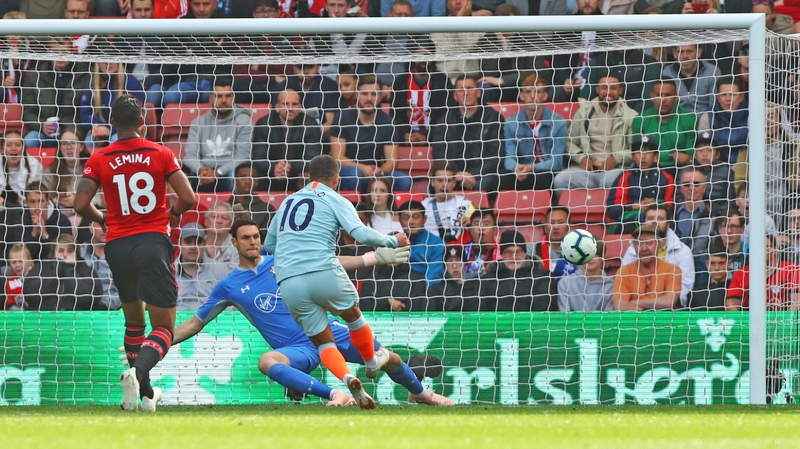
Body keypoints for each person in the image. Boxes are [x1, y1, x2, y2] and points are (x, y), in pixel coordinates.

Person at [173, 218, 451, 406]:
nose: (253, 242)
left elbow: (327, 261)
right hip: (295, 348)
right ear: (234, 242)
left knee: (388, 358)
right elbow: (196, 323)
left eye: (256, 236)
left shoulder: (280, 260)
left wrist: (373, 257)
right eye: (245, 238)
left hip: (325, 329)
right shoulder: (228, 286)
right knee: (267, 361)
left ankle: (420, 394)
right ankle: (336, 394)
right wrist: (158, 342)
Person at [74, 94, 197, 413]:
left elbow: (79, 205)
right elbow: (189, 198)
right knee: (164, 328)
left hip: (117, 246)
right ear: (143, 121)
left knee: (133, 322)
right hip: (151, 242)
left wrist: (105, 219)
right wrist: (172, 213)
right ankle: (139, 372)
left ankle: (143, 395)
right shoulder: (160, 152)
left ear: (112, 124)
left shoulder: (100, 158)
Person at [263, 154, 410, 409]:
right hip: (323, 270)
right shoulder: (335, 198)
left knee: (323, 341)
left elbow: (269, 245)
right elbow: (359, 232)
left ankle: (347, 377)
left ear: (308, 177)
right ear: (336, 178)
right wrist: (392, 241)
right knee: (353, 314)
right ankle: (371, 361)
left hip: (288, 281)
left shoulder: (287, 202)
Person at [553, 72, 637, 191]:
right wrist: (581, 158)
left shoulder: (631, 116)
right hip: (585, 171)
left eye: (613, 88)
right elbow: (568, 142)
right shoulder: (584, 112)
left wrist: (617, 158)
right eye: (604, 88)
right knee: (560, 180)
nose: (608, 92)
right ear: (597, 89)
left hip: (615, 171)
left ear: (620, 90)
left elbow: (636, 150)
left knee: (618, 180)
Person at [329, 75, 412, 192]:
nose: (369, 98)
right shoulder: (342, 117)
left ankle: (385, 210)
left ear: (380, 97)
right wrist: (363, 168)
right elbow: (337, 157)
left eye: (374, 94)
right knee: (354, 175)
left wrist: (379, 171)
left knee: (404, 180)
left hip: (376, 173)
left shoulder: (388, 121)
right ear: (357, 95)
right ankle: (355, 208)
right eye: (365, 94)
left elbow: (392, 161)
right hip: (349, 172)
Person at [428, 75, 503, 193]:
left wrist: (474, 175)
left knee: (488, 183)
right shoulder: (444, 121)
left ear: (478, 93)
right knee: (435, 185)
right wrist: (455, 174)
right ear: (454, 96)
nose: (466, 93)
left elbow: (496, 155)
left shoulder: (493, 118)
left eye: (469, 88)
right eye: (461, 90)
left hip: (481, 175)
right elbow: (439, 153)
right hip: (452, 175)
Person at [184, 76, 252, 192]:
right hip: (203, 172)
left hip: (229, 171)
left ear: (233, 98)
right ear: (211, 98)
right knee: (185, 176)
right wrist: (201, 170)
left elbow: (242, 156)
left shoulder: (244, 121)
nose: (224, 100)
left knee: (236, 175)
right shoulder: (199, 122)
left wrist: (217, 173)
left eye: (228, 96)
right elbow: (189, 156)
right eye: (219, 96)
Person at [20, 36, 90, 148]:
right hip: (44, 132)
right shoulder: (34, 75)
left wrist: (74, 129)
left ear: (72, 53)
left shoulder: (85, 75)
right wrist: (42, 125)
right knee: (30, 140)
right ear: (48, 52)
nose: (60, 56)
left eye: (64, 52)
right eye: (55, 52)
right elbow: (28, 112)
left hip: (76, 131)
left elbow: (90, 109)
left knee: (90, 142)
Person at [501, 72, 567, 191]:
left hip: (547, 172)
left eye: (537, 92)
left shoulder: (558, 122)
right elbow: (509, 157)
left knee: (541, 180)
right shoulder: (511, 123)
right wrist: (517, 167)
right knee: (501, 180)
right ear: (521, 96)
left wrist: (531, 168)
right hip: (521, 173)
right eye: (528, 92)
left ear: (545, 96)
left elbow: (556, 162)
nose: (532, 96)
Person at [621, 203, 695, 307]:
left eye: (660, 218)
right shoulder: (632, 250)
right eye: (650, 218)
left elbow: (683, 292)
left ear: (668, 224)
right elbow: (624, 287)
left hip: (670, 313)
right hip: (635, 313)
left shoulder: (683, 251)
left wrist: (639, 303)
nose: (654, 222)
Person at [252, 89, 324, 192]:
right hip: (269, 174)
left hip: (298, 173)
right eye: (286, 104)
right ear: (277, 107)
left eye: (294, 104)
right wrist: (275, 167)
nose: (290, 108)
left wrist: (290, 166)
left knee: (310, 178)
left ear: (300, 108)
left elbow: (312, 159)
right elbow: (258, 158)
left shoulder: (310, 124)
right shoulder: (263, 124)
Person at [606, 136, 675, 234]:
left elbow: (671, 206)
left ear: (655, 156)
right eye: (639, 152)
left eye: (647, 152)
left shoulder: (666, 177)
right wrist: (633, 206)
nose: (643, 156)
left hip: (658, 223)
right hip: (630, 224)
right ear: (633, 156)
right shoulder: (624, 177)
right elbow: (612, 210)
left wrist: (655, 205)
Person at [390, 36, 451, 144]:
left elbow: (446, 115)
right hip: (405, 136)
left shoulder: (443, 81)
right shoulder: (401, 82)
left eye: (427, 54)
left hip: (437, 137)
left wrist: (428, 136)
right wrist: (405, 135)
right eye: (419, 55)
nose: (423, 59)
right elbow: (395, 115)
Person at [481, 230, 558, 311]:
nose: (514, 257)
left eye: (518, 252)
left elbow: (544, 308)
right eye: (508, 252)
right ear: (502, 255)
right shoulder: (488, 280)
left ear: (525, 253)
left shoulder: (543, 278)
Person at [22, 233, 104, 310]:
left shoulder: (86, 270)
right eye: (61, 251)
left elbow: (87, 300)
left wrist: (69, 269)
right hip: (46, 319)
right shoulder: (42, 267)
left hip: (76, 320)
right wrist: (58, 267)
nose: (65, 255)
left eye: (70, 251)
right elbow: (30, 295)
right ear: (53, 253)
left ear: (77, 253)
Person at [612, 225, 682, 311]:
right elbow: (619, 305)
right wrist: (645, 312)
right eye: (639, 243)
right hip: (633, 322)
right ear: (634, 246)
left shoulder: (672, 270)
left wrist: (634, 302)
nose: (644, 248)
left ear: (659, 245)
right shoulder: (624, 272)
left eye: (649, 243)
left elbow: (669, 302)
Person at [631, 78, 697, 168]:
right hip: (650, 169)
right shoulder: (640, 120)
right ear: (652, 96)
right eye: (658, 95)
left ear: (676, 97)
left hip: (680, 169)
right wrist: (671, 155)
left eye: (668, 95)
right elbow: (638, 155)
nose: (663, 100)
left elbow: (689, 157)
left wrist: (655, 157)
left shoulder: (690, 119)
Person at [79, 61, 145, 149]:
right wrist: (97, 127)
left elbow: (134, 118)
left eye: (111, 61)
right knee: (89, 140)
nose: (108, 64)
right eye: (104, 61)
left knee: (115, 139)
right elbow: (84, 114)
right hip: (101, 129)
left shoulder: (131, 83)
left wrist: (110, 130)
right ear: (98, 63)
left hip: (130, 130)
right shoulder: (91, 83)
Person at [726, 234, 800, 310]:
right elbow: (731, 304)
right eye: (757, 248)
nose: (761, 251)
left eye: (766, 247)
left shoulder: (791, 269)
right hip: (751, 320)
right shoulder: (742, 273)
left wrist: (784, 321)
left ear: (775, 250)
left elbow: (797, 302)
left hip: (782, 320)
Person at [174, 222, 231, 310]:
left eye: (198, 242)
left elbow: (231, 305)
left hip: (210, 321)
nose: (193, 246)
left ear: (204, 244)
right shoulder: (167, 272)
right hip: (175, 321)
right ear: (180, 244)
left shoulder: (221, 270)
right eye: (188, 242)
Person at [698, 76, 748, 163]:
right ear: (718, 97)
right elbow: (704, 150)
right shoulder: (708, 117)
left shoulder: (753, 116)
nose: (728, 99)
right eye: (723, 95)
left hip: (748, 167)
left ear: (741, 97)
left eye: (732, 94)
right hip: (717, 169)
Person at [422, 161, 473, 243]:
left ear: (454, 183)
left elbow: (479, 230)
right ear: (433, 182)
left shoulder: (467, 204)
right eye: (439, 180)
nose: (444, 185)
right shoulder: (423, 206)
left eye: (448, 181)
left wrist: (471, 225)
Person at [662, 44, 721, 114]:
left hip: (704, 121)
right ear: (674, 53)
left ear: (699, 53)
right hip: (677, 121)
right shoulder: (667, 71)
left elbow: (714, 106)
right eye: (680, 52)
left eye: (689, 51)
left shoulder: (712, 71)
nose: (685, 56)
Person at [558, 240, 614, 311]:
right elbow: (564, 317)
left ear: (602, 258)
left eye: (594, 253)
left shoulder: (611, 285)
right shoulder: (565, 283)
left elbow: (608, 319)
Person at [426, 245, 483, 311]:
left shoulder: (476, 287)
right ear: (445, 265)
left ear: (465, 263)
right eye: (450, 261)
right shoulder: (435, 291)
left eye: (458, 260)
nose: (454, 266)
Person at [226, 163, 274, 241]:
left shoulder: (267, 209)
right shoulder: (224, 208)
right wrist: (232, 226)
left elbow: (270, 239)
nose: (248, 181)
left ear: (257, 182)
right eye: (243, 177)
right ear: (234, 181)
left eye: (252, 177)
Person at [672, 167, 713, 258]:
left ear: (704, 187)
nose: (691, 188)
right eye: (686, 184)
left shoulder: (714, 214)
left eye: (696, 184)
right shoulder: (671, 214)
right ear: (681, 188)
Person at [81, 217, 120, 310]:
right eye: (100, 225)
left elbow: (125, 290)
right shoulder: (78, 252)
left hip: (110, 309)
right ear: (91, 228)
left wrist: (105, 305)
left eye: (108, 225)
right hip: (81, 306)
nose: (104, 229)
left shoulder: (120, 255)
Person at [452, 208, 500, 279]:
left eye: (486, 224)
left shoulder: (502, 252)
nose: (481, 228)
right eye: (477, 224)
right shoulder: (461, 251)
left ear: (495, 230)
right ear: (470, 229)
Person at [529, 206, 576, 277]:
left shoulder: (579, 252)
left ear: (570, 227)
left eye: (560, 222)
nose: (555, 227)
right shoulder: (532, 250)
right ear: (545, 227)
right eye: (551, 222)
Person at [0, 130, 43, 207]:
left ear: (23, 148)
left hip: (27, 207)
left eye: (18, 145)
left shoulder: (34, 165)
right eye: (9, 145)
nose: (14, 148)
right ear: (2, 149)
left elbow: (36, 193)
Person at [42, 127, 89, 195]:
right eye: (64, 143)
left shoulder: (92, 170)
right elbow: (44, 200)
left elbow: (100, 199)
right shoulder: (50, 172)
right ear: (60, 148)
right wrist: (55, 201)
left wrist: (76, 201)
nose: (69, 147)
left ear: (81, 147)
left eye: (73, 143)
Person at [689, 243, 730, 310]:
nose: (717, 268)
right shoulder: (696, 294)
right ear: (707, 264)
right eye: (712, 263)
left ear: (729, 263)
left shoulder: (735, 291)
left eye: (721, 263)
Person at [2, 243, 33, 310]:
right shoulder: (10, 283)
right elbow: (11, 304)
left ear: (29, 261)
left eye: (20, 261)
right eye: (14, 262)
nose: (17, 265)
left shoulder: (37, 275)